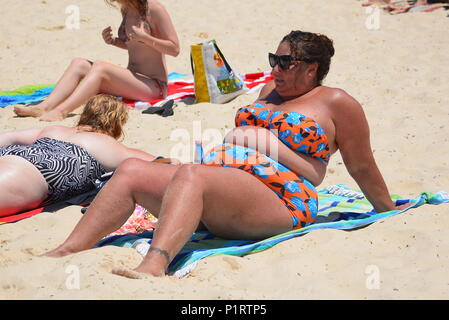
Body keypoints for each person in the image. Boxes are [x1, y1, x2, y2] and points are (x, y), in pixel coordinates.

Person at [44, 31, 410, 278]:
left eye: (285, 63)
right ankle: (66, 250)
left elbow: (347, 167)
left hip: (282, 197)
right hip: (225, 185)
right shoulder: (269, 89)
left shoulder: (337, 103)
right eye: (273, 59)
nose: (274, 69)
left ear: (311, 68)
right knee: (133, 170)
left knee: (192, 176)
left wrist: (387, 209)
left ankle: (153, 267)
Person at [12, 0, 180, 122]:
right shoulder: (126, 8)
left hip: (154, 86)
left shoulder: (155, 9)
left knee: (100, 67)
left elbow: (175, 49)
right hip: (133, 78)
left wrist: (146, 37)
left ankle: (62, 111)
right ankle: (43, 107)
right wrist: (115, 42)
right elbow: (135, 45)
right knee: (79, 63)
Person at [0, 94, 162, 217]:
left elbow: (8, 138)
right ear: (117, 124)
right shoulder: (109, 146)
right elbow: (162, 165)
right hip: (37, 173)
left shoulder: (56, 130)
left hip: (15, 155)